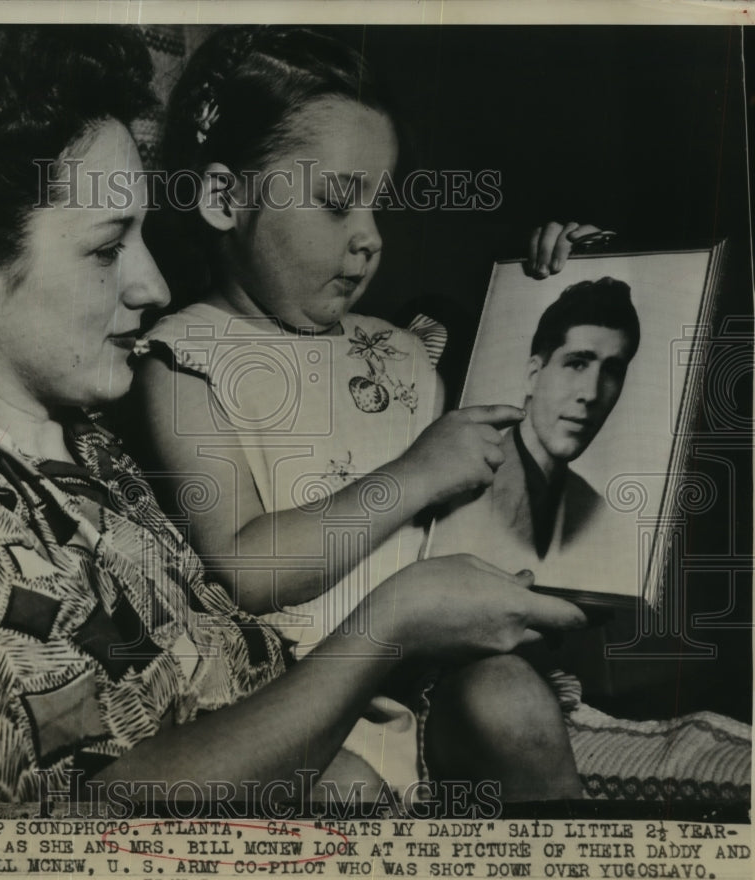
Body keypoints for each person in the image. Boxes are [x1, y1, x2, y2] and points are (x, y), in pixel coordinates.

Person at [0, 23, 590, 809]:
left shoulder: (85, 447)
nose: (154, 286)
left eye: (141, 236)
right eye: (107, 249)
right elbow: (68, 834)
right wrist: (392, 627)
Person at [129, 26, 596, 796]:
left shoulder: (403, 348)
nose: (370, 239)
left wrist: (555, 287)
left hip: (442, 682)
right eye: (338, 204)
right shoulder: (184, 360)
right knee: (344, 795)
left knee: (515, 702)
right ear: (224, 198)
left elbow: (500, 477)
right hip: (298, 706)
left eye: (377, 206)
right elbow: (244, 568)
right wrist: (412, 477)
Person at [435, 277, 640, 574]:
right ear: (533, 374)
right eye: (577, 363)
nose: (592, 393)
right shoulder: (464, 482)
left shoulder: (593, 510)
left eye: (612, 371)